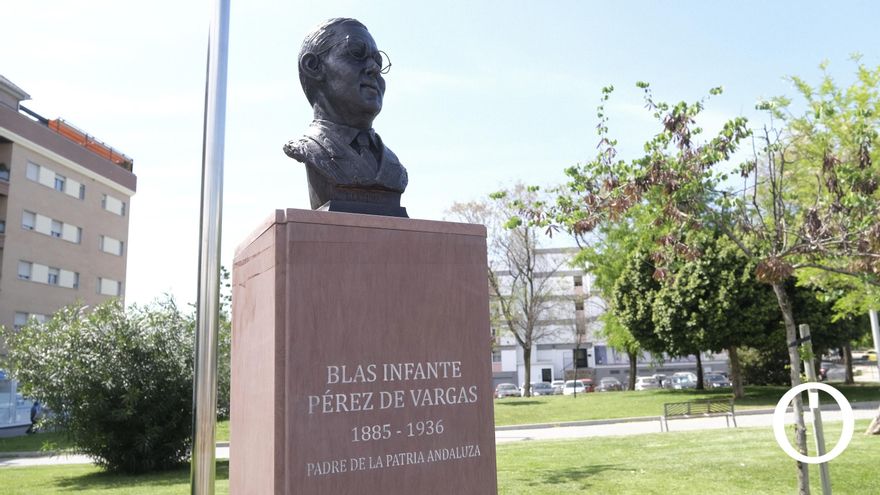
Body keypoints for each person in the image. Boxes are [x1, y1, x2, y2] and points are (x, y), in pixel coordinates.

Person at [284, 18, 408, 217]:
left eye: (378, 62)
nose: (374, 68)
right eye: (356, 53)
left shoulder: (395, 168)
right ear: (313, 66)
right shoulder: (311, 150)